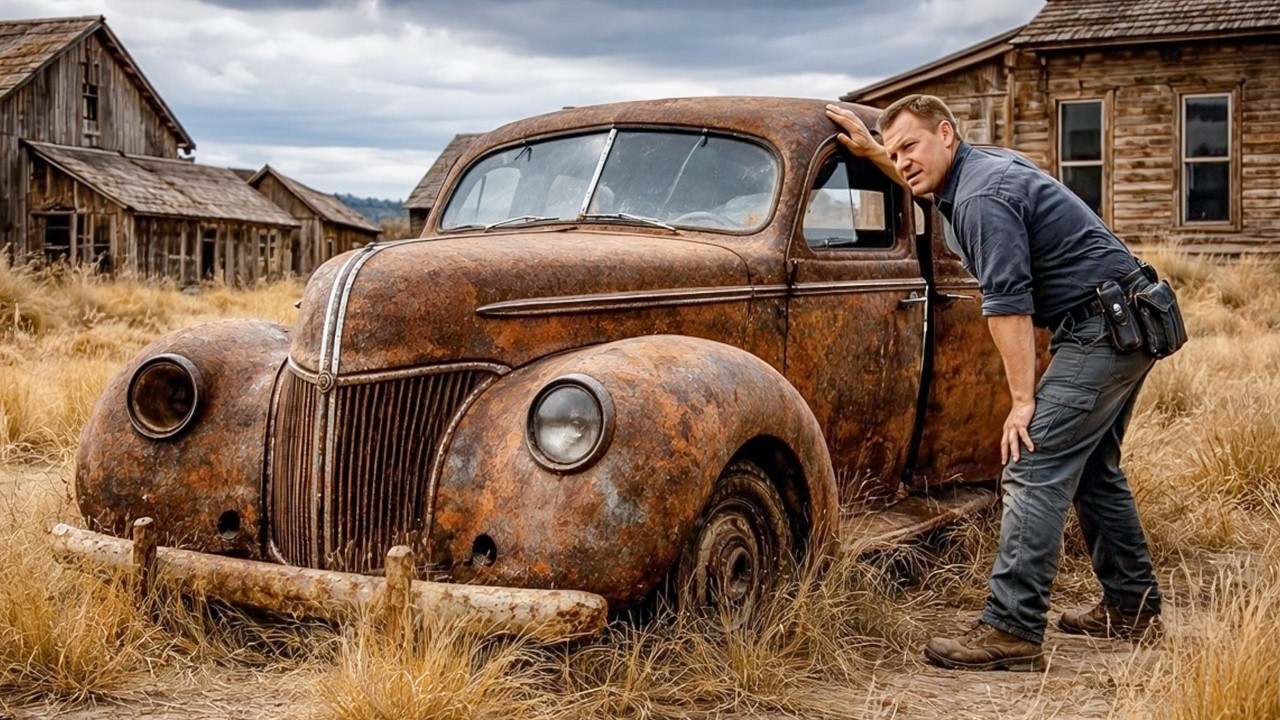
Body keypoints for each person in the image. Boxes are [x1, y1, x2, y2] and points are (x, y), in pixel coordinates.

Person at [825, 97, 1163, 672]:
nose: (902, 161)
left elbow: (1008, 304)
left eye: (911, 146)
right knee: (1095, 469)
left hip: (1106, 329)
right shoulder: (976, 169)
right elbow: (924, 181)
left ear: (947, 134)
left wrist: (1023, 402)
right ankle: (1131, 608)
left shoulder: (982, 197)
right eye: (893, 152)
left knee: (1032, 464)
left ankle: (1011, 628)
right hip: (1125, 318)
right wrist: (878, 155)